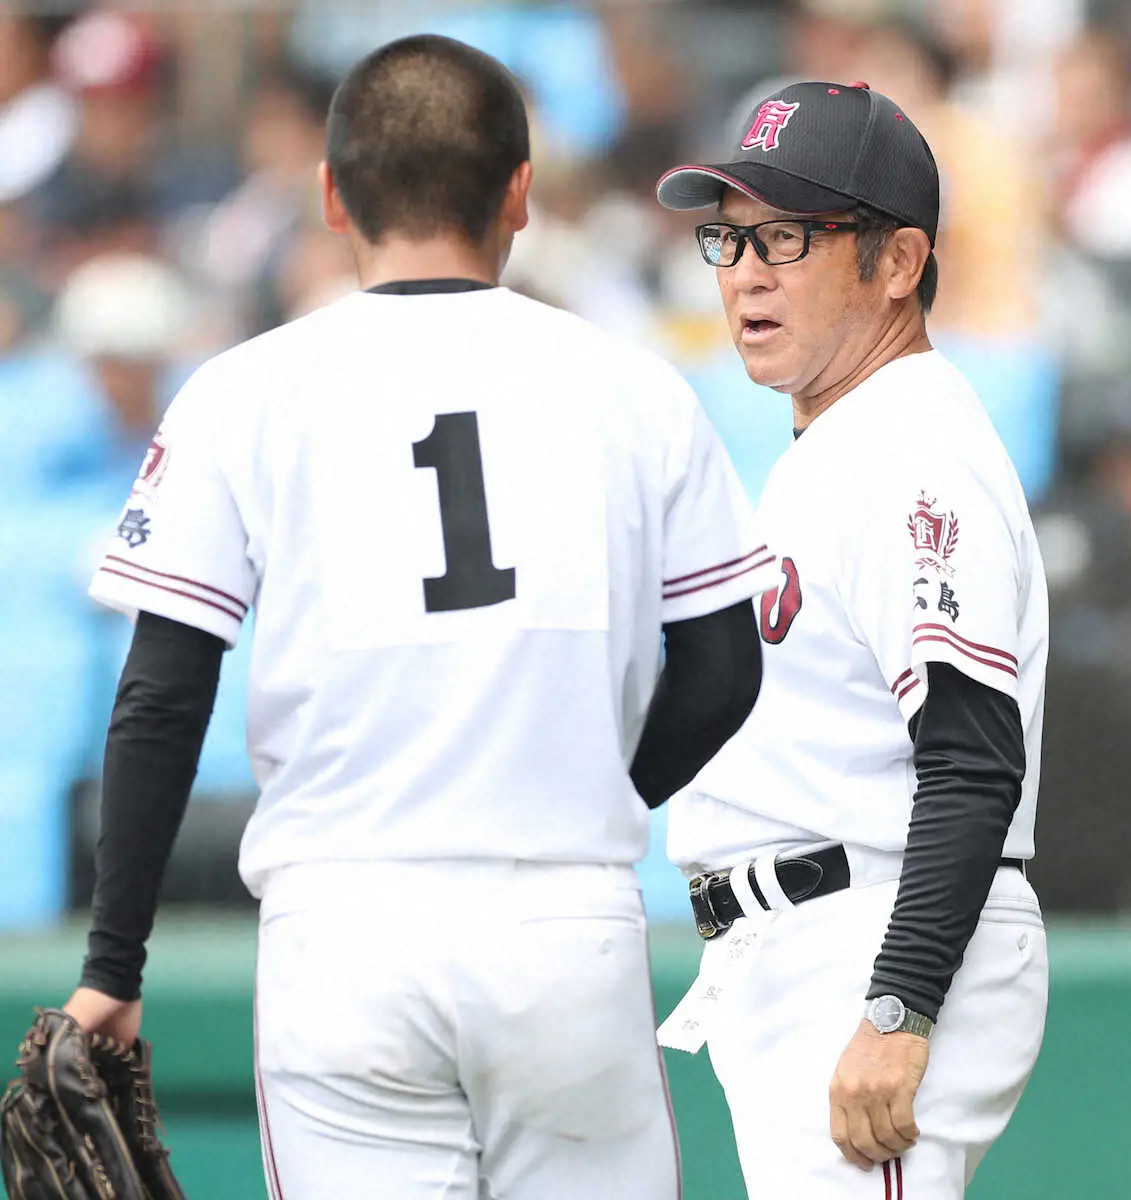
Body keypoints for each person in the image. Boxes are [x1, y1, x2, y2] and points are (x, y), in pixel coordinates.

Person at [52, 34, 771, 1200]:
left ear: (331, 195)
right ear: (520, 194)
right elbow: (726, 669)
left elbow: (162, 692)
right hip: (562, 923)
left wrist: (113, 961)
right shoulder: (635, 386)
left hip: (345, 930)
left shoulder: (243, 390)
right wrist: (597, 787)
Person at [654, 80, 1049, 1198]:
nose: (745, 271)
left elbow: (972, 755)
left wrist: (897, 1006)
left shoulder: (912, 450)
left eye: (787, 235)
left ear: (898, 261)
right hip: (804, 940)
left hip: (872, 937)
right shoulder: (839, 443)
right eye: (729, 237)